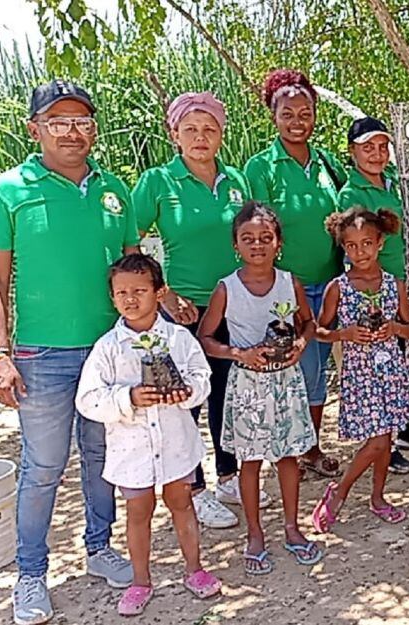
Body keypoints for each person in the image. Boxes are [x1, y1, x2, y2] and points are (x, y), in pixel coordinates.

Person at [0, 80, 136, 624]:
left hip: (110, 350)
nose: (73, 131)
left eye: (83, 121)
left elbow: (134, 268)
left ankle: (99, 548)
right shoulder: (9, 190)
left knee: (102, 458)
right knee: (43, 467)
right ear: (35, 129)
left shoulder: (115, 190)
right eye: (59, 121)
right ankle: (30, 574)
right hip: (42, 354)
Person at [132, 91, 257, 530]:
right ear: (175, 134)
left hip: (232, 305)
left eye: (209, 129)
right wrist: (162, 293)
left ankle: (227, 475)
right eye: (191, 130)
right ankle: (193, 488)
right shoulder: (158, 182)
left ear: (221, 135)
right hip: (182, 311)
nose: (200, 138)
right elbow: (131, 243)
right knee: (183, 402)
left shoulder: (238, 180)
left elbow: (254, 234)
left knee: (226, 394)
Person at [76, 254, 222, 616]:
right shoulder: (107, 348)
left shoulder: (178, 338)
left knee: (181, 502)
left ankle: (194, 569)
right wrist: (128, 397)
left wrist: (188, 391)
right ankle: (141, 580)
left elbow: (202, 375)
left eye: (140, 290)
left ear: (160, 292)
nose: (130, 299)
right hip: (132, 450)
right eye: (121, 292)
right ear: (111, 297)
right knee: (138, 512)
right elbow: (88, 400)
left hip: (176, 445)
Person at [197, 202, 323, 575]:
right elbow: (205, 337)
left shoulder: (289, 282)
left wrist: (300, 346)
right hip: (248, 384)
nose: (257, 245)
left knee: (287, 457)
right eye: (248, 239)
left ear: (278, 243)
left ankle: (291, 527)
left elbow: (308, 323)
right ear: (236, 245)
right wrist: (238, 353)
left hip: (285, 383)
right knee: (249, 462)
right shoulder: (227, 288)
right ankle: (255, 533)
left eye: (265, 238)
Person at [244, 69, 346, 480]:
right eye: (288, 113)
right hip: (286, 290)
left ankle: (309, 449)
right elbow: (257, 229)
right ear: (274, 116)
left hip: (330, 285)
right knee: (284, 369)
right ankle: (281, 450)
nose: (297, 120)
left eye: (305, 112)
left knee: (316, 371)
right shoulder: (261, 166)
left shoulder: (327, 162)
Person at [336, 117, 409, 473]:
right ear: (352, 152)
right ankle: (387, 441)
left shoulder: (395, 182)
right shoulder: (352, 194)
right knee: (385, 364)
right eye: (368, 147)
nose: (377, 154)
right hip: (379, 288)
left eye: (382, 147)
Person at [310, 207, 409, 532]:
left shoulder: (394, 285)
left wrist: (393, 329)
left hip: (390, 374)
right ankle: (339, 491)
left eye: (367, 243)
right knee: (377, 442)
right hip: (361, 377)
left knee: (386, 441)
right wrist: (345, 334)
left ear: (380, 242)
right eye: (352, 245)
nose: (361, 252)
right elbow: (319, 330)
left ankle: (378, 496)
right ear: (343, 247)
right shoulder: (338, 287)